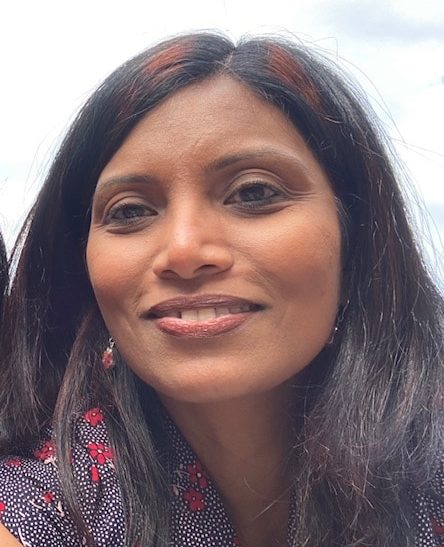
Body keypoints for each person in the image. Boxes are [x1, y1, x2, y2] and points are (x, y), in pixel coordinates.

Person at [0, 32, 443, 547]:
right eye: (130, 210)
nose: (185, 251)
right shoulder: (42, 506)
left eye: (253, 192)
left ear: (357, 242)